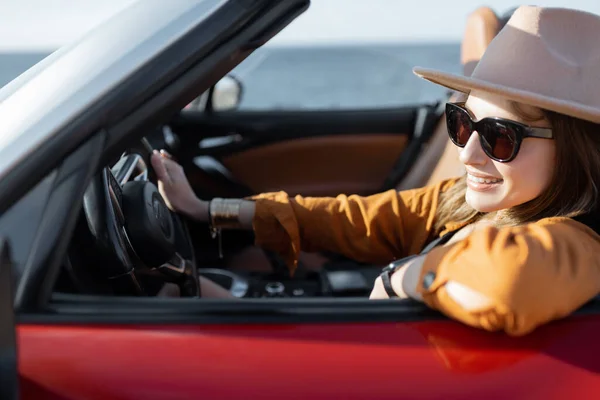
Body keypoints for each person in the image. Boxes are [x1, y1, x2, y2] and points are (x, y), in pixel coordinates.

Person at [151, 6, 600, 336]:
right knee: (187, 292)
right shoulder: (467, 202)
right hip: (370, 345)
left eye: (502, 137)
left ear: (578, 151)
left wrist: (399, 279)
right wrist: (208, 209)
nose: (468, 154)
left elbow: (509, 281)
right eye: (462, 124)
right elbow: (361, 218)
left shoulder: (582, 241)